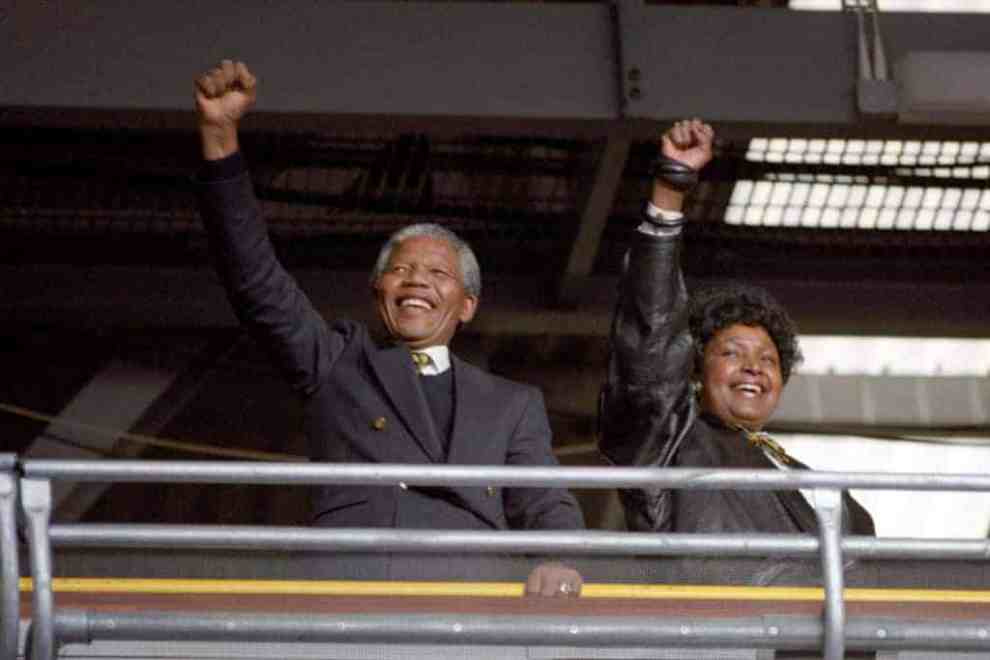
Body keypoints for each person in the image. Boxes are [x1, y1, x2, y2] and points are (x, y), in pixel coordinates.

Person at [193, 60, 584, 596]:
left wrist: (558, 558)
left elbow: (545, 501)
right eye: (401, 270)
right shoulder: (337, 365)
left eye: (438, 274)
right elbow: (256, 281)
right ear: (378, 292)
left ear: (467, 305)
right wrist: (220, 140)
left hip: (470, 597)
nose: (416, 280)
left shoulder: (513, 404)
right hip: (355, 589)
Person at [599, 119, 875, 585]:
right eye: (733, 353)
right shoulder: (670, 441)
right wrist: (670, 190)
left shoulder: (809, 480)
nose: (754, 368)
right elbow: (651, 343)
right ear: (694, 370)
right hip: (721, 626)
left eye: (769, 360)